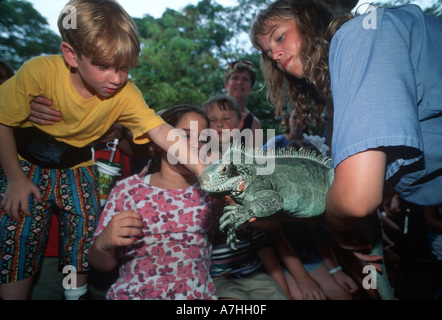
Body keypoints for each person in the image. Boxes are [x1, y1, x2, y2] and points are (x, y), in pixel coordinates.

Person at [0, 0, 204, 300]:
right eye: (104, 66)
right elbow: (3, 120)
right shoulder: (37, 72)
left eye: (123, 68)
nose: (117, 78)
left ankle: (75, 294)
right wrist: (15, 178)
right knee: (18, 230)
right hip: (26, 161)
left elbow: (159, 130)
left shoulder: (125, 93)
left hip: (76, 164)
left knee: (84, 224)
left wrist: (204, 170)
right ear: (71, 54)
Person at [250, 0, 442, 262]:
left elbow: (356, 199)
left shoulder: (361, 36)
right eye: (268, 52)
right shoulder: (338, 93)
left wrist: (332, 224)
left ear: (309, 18)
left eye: (280, 37)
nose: (275, 55)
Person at [88, 104, 217, 300]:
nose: (196, 144)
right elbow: (102, 264)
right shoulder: (128, 191)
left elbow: (259, 225)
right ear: (159, 142)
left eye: (203, 138)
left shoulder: (212, 192)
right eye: (186, 135)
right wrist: (102, 244)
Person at [202, 95, 288, 300]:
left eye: (226, 118)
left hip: (254, 266)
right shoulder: (197, 167)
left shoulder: (252, 169)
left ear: (240, 125)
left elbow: (270, 230)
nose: (219, 124)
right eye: (212, 120)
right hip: (216, 275)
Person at [224, 61, 262, 145]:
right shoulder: (209, 113)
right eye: (235, 78)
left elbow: (255, 157)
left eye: (245, 79)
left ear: (251, 88)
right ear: (226, 85)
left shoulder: (254, 123)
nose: (240, 83)